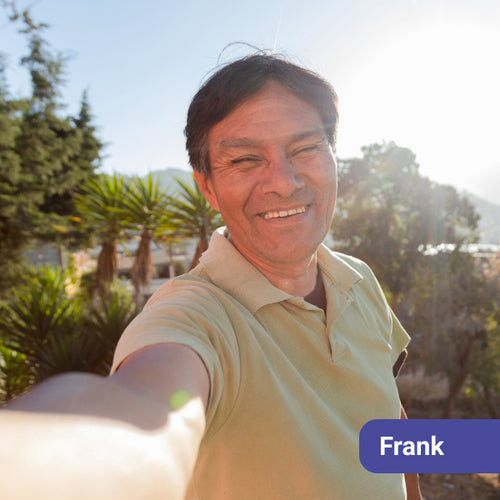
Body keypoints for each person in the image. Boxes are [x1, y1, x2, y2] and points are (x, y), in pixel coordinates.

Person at [1, 53, 421, 499]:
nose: (283, 180)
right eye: (244, 159)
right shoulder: (195, 318)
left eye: (305, 148)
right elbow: (143, 412)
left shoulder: (358, 279)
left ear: (334, 158)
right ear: (207, 188)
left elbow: (387, 417)